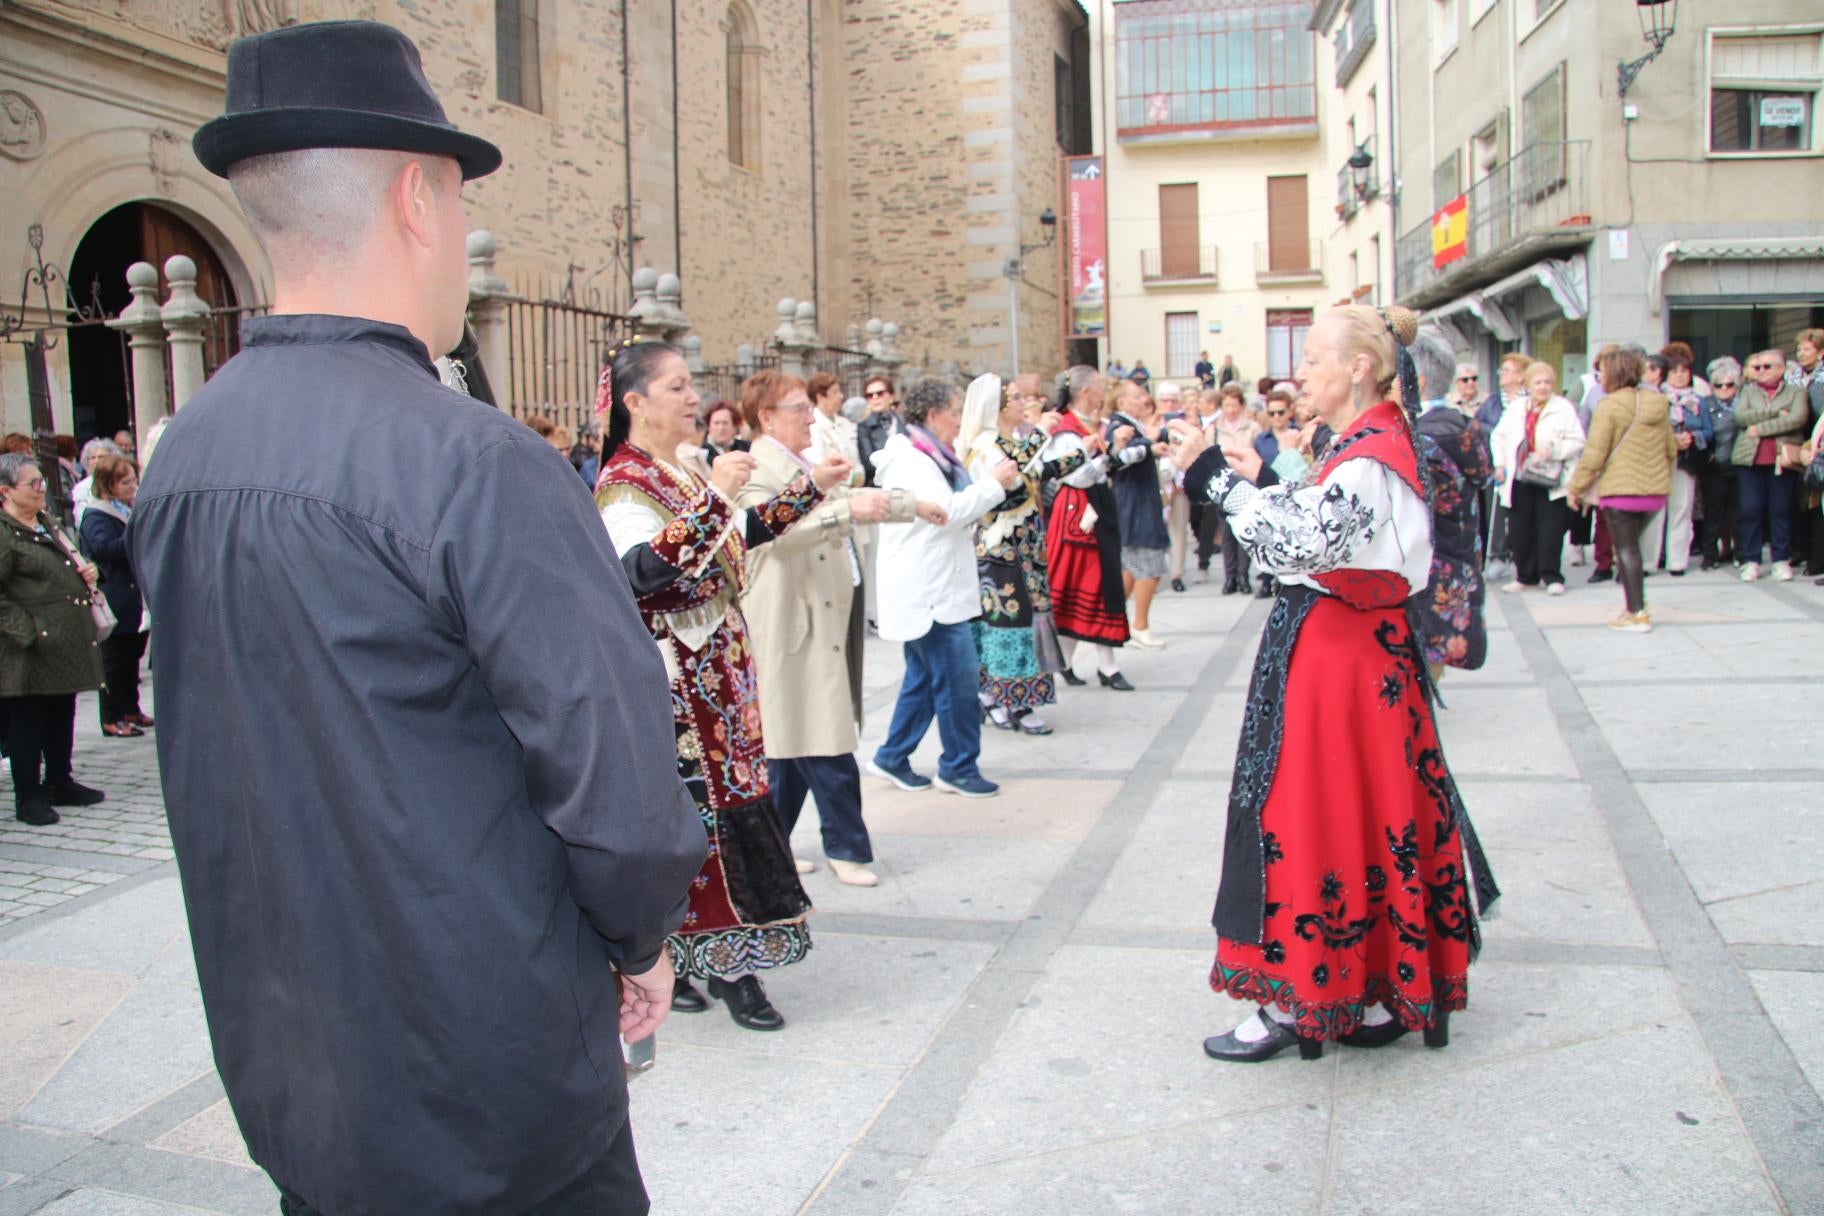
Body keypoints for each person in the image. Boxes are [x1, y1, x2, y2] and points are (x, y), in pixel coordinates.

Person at [131, 24, 707, 1214]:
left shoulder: (187, 450)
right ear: (418, 200)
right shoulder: (474, 461)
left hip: (300, 1075)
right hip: (493, 1092)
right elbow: (614, 775)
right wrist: (642, 937)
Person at [1168, 304, 1497, 1062]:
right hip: (1351, 656)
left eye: (1314, 357)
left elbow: (1297, 540)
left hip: (1340, 661)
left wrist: (1211, 475)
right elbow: (1323, 517)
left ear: (1358, 368)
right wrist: (1263, 476)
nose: (1300, 371)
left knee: (1307, 820)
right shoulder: (1365, 442)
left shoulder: (1373, 452)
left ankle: (1300, 998)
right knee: (1362, 818)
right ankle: (1364, 985)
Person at [738, 369, 933, 888]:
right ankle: (846, 847)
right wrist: (843, 507)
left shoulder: (799, 460)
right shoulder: (759, 468)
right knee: (823, 739)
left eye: (808, 406)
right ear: (766, 418)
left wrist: (913, 506)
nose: (809, 417)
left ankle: (769, 849)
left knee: (791, 744)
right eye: (797, 408)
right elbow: (774, 533)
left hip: (826, 610)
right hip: (791, 620)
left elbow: (855, 495)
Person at [869, 377, 1017, 797]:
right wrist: (993, 484)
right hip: (929, 591)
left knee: (923, 679)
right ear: (933, 415)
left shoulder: (928, 454)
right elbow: (946, 512)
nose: (958, 421)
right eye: (954, 412)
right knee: (957, 681)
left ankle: (892, 756)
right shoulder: (914, 460)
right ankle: (958, 766)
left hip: (934, 586)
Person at [960, 374, 1079, 735]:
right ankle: (1011, 698)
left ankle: (998, 695)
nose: (1021, 402)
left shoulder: (1008, 441)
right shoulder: (983, 446)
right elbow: (1008, 488)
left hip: (1025, 546)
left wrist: (1081, 455)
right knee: (1007, 621)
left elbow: (1034, 471)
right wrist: (1041, 432)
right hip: (1002, 548)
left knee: (1027, 617)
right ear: (996, 407)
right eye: (1013, 398)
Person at [0, 453, 105, 826]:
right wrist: (24, 629)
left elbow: (67, 564)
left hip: (65, 640)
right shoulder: (5, 531)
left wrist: (90, 572)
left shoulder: (46, 521)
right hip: (29, 644)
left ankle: (60, 780)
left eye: (42, 481)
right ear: (6, 492)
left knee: (63, 709)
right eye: (34, 484)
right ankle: (28, 796)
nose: (42, 489)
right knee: (28, 719)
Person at [1567, 347, 1676, 633]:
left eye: (1602, 371)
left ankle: (1637, 612)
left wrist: (1576, 488)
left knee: (1627, 551)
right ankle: (1637, 604)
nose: (1599, 376)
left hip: (1621, 491)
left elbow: (1595, 454)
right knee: (1634, 550)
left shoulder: (1609, 406)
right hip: (1655, 492)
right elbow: (1670, 448)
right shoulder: (1657, 402)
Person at [1043, 367, 1135, 689]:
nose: (1102, 393)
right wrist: (1107, 457)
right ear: (1084, 392)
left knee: (1095, 585)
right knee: (1090, 585)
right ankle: (1102, 666)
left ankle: (1075, 663)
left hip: (1091, 513)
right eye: (1099, 387)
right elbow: (1072, 477)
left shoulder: (1082, 425)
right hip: (1078, 519)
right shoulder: (1066, 430)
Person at [1409, 330, 1493, 678]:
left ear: (1418, 381)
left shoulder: (1423, 438)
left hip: (1428, 577)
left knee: (1419, 679)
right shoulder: (1462, 426)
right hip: (1456, 572)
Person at [1490, 362, 1584, 595]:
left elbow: (1577, 440)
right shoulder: (1517, 408)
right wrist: (1499, 463)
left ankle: (1551, 575)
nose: (1543, 387)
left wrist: (1553, 451)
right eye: (1538, 383)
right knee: (1520, 529)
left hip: (1550, 478)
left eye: (1547, 383)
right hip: (1520, 477)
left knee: (1550, 529)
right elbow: (1498, 436)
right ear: (1528, 384)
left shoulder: (1562, 407)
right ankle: (1525, 575)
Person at [77, 455, 151, 738]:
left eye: (133, 479)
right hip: (115, 594)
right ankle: (112, 716)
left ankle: (130, 708)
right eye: (125, 481)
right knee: (114, 661)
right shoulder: (97, 514)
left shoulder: (126, 509)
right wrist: (137, 535)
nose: (132, 486)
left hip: (133, 595)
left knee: (132, 656)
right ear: (109, 485)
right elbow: (105, 549)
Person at [1731, 349, 1809, 582]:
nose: (1761, 371)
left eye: (1767, 366)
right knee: (1750, 510)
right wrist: (1775, 413)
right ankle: (1751, 560)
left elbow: (1796, 419)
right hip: (1749, 459)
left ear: (1782, 369)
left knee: (1780, 509)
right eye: (1757, 367)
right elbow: (1740, 418)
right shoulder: (1748, 391)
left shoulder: (1796, 392)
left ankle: (1780, 559)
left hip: (1780, 459)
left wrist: (1760, 428)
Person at [1105, 380, 1170, 647]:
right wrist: (1149, 447)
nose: (1143, 400)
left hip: (1137, 503)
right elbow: (1118, 459)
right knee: (1150, 565)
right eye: (1136, 396)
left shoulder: (1132, 425)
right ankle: (1139, 626)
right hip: (1135, 505)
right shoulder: (1120, 426)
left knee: (1131, 569)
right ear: (1122, 402)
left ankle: (1115, 621)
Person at [1660, 354, 1711, 577]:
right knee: (1656, 510)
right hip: (1660, 459)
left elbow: (1708, 431)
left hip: (1686, 460)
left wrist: (1692, 437)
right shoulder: (1658, 398)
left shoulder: (1698, 402)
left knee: (1682, 509)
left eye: (1684, 371)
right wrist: (1672, 438)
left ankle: (1677, 560)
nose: (1680, 376)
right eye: (1674, 371)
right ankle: (1654, 558)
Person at [1210, 384, 1263, 595]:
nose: (1230, 409)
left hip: (1245, 483)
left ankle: (1243, 575)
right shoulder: (1215, 428)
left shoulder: (1252, 428)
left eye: (1234, 405)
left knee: (1243, 530)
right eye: (1227, 405)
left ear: (1241, 406)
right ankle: (1229, 576)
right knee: (1226, 533)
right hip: (1224, 484)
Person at [1698, 357, 1741, 570]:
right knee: (1713, 513)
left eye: (1730, 384)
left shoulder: (1744, 403)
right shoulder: (1705, 404)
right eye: (1718, 385)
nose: (1724, 389)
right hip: (1715, 465)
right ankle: (1709, 555)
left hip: (1741, 464)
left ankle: (1741, 553)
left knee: (1740, 513)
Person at [806, 369, 862, 478]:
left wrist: (860, 473)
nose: (841, 396)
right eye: (835, 392)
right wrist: (850, 478)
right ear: (820, 397)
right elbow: (817, 464)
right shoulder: (812, 426)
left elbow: (856, 458)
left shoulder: (845, 423)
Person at [855, 374, 904, 488]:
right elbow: (869, 463)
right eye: (870, 395)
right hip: (881, 488)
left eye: (880, 393)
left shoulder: (904, 422)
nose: (875, 397)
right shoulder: (863, 427)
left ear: (891, 395)